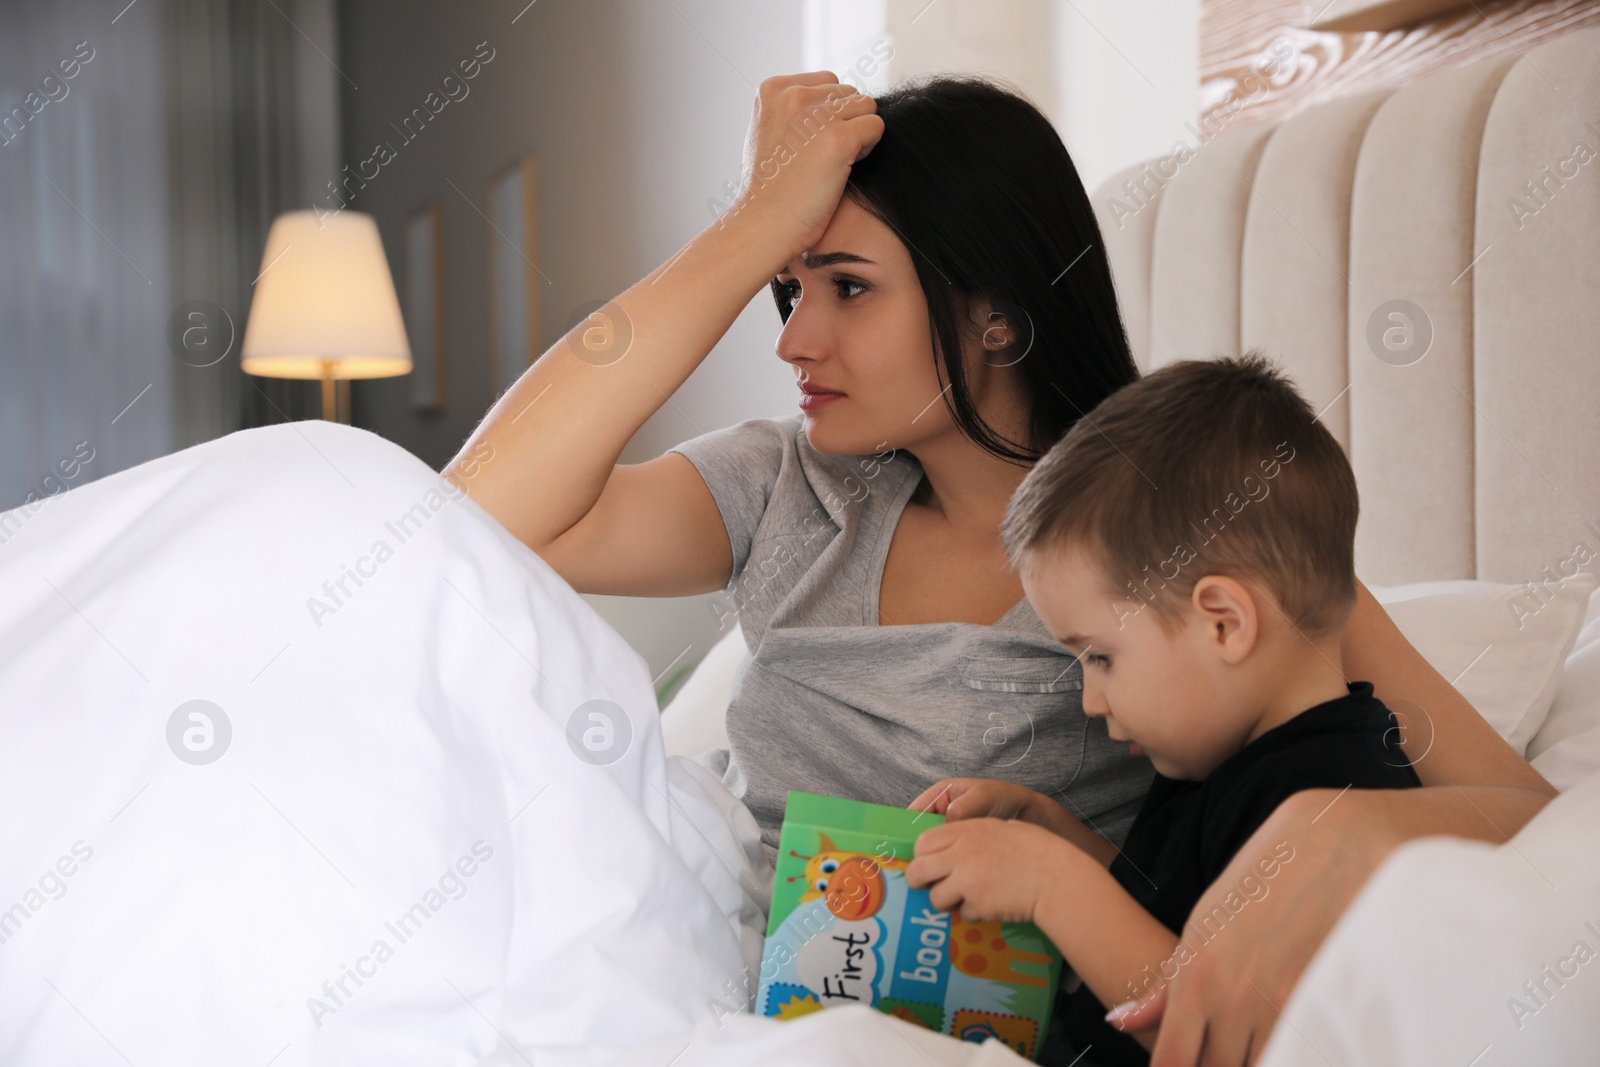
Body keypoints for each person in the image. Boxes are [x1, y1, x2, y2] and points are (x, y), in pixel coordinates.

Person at [443, 71, 1557, 1064]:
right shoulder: (784, 485)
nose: (791, 339)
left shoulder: (1178, 529)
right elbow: (472, 521)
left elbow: (1518, 808)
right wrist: (748, 229)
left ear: (994, 318)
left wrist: (1344, 827)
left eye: (848, 287)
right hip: (691, 975)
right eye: (790, 287)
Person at [903, 354, 1424, 1065]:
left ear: (1224, 623)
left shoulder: (1335, 788)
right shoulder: (1219, 755)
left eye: (1101, 657)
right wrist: (1062, 841)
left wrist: (1052, 884)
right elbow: (1172, 921)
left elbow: (1220, 1029)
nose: (1089, 698)